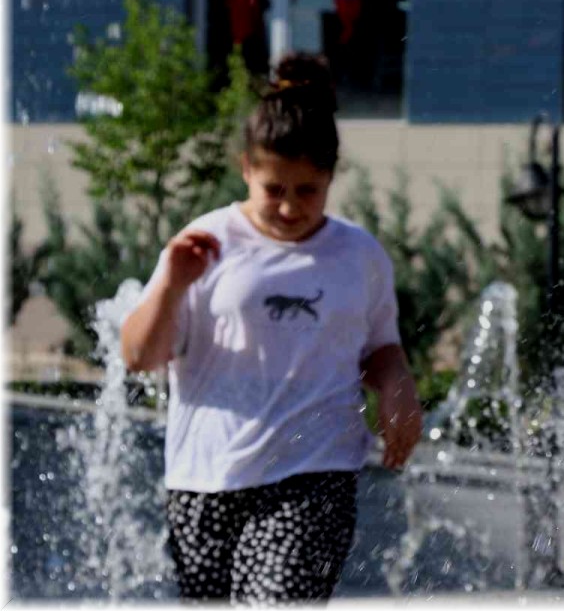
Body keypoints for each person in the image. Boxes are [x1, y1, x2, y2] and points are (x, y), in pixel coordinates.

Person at [120, 53, 423, 603]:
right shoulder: (206, 242)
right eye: (274, 189)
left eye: (307, 190)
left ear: (331, 176)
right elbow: (139, 355)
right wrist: (171, 285)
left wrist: (397, 385)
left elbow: (382, 348)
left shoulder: (359, 255)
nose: (288, 207)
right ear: (246, 169)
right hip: (205, 475)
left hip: (315, 473)